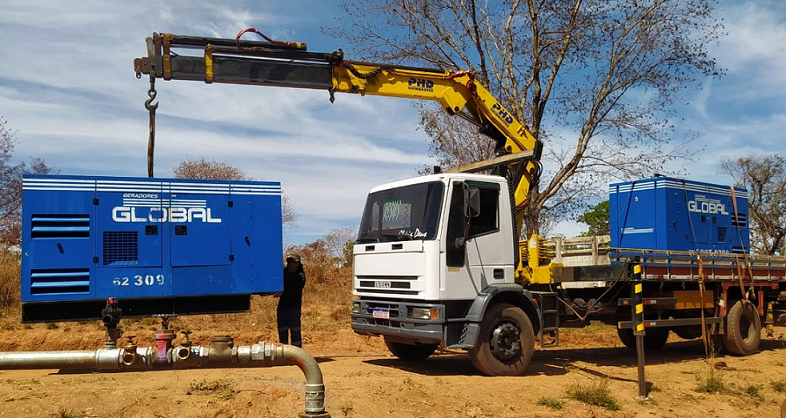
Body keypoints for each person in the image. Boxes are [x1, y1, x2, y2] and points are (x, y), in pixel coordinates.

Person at [277, 254, 306, 347]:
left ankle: (297, 353)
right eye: (289, 262)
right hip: (282, 307)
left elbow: (295, 290)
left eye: (293, 262)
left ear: (297, 263)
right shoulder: (283, 273)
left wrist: (282, 292)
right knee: (282, 331)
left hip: (294, 308)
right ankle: (284, 354)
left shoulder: (300, 276)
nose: (290, 264)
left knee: (295, 331)